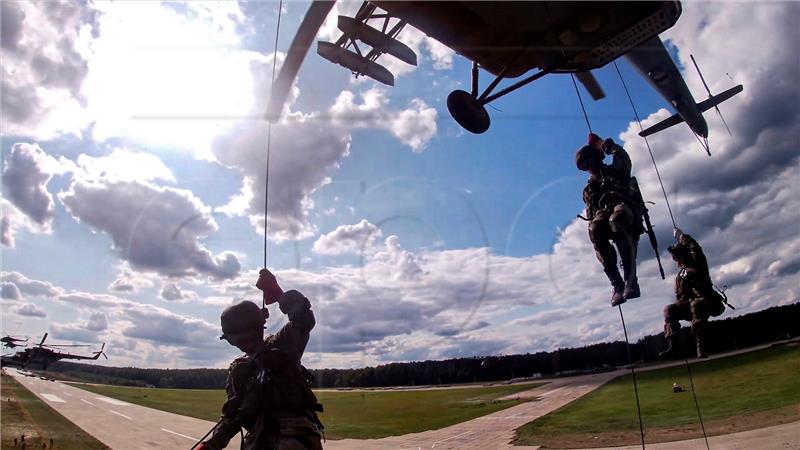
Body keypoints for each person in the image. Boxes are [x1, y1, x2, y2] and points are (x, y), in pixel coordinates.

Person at [197, 269, 324, 450]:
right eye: (235, 341)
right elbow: (234, 416)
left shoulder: (280, 347)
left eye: (239, 339)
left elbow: (303, 320)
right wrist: (210, 445)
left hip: (285, 441)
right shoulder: (245, 367)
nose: (240, 345)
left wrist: (278, 294)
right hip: (277, 440)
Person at [576, 133, 643, 306]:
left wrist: (604, 145)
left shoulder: (616, 171)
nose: (589, 167)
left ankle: (630, 280)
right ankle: (617, 285)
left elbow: (623, 157)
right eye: (585, 166)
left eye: (590, 162)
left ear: (598, 158)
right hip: (604, 216)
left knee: (617, 219)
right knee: (595, 230)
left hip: (626, 210)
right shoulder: (589, 190)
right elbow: (592, 217)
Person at [659, 229, 726, 359]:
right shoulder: (680, 276)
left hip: (708, 301)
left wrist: (680, 236)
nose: (676, 260)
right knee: (669, 309)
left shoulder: (698, 262)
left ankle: (701, 347)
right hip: (690, 306)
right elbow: (680, 297)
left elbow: (694, 246)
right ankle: (674, 346)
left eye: (677, 256)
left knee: (697, 304)